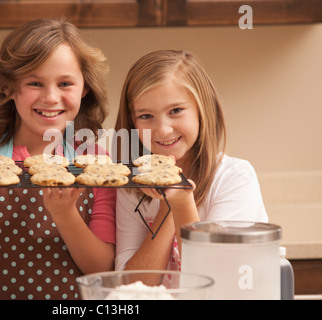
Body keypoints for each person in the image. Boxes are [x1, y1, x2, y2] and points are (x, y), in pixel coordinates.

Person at [0, 18, 116, 300]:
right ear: (8, 88)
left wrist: (65, 215)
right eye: (35, 82)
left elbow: (102, 273)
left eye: (65, 83)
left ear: (84, 88)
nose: (51, 97)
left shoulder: (95, 163)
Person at [114, 50, 268, 271]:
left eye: (176, 110)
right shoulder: (132, 189)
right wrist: (167, 208)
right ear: (132, 122)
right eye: (146, 116)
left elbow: (217, 279)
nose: (163, 130)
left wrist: (181, 202)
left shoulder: (234, 179)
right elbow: (130, 287)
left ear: (202, 109)